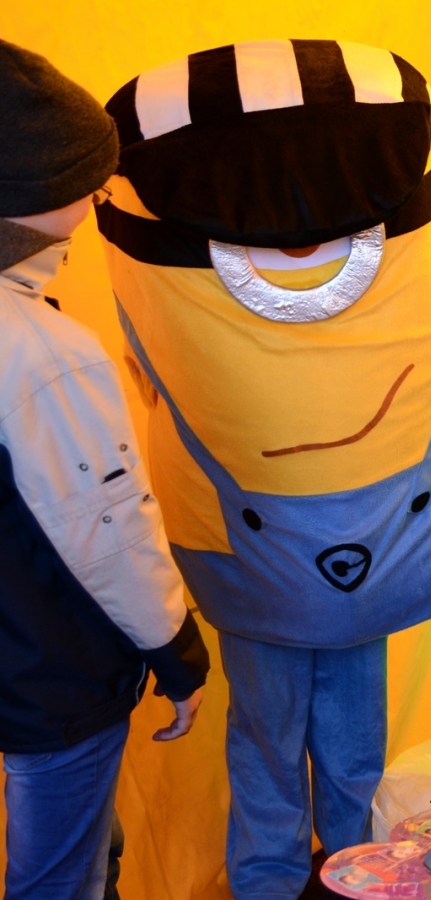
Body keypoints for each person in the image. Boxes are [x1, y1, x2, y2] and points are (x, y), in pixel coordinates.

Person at [95, 41, 431, 899]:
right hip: (360, 548)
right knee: (331, 734)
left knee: (274, 736)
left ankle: (301, 876)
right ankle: (342, 873)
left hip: (258, 558)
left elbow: (152, 374)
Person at [0, 40, 210, 900]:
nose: (99, 195)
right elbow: (107, 529)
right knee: (60, 880)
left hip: (21, 659)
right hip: (50, 674)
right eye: (82, 178)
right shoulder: (43, 352)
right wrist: (178, 652)